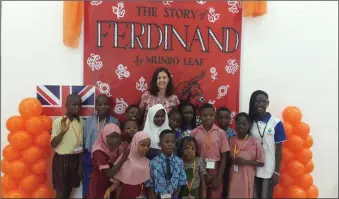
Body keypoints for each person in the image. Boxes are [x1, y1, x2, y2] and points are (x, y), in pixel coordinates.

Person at [248, 90, 287, 198]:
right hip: (252, 169)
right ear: (253, 103)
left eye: (263, 101)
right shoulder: (249, 122)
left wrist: (277, 172)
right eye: (257, 102)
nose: (260, 104)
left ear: (267, 103)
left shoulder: (276, 122)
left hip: (268, 169)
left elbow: (279, 151)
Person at [83, 94, 120, 198]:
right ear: (95, 107)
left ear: (110, 106)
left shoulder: (114, 121)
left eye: (105, 104)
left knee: (105, 188)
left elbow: (117, 142)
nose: (103, 106)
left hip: (107, 158)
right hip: (89, 158)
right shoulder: (88, 122)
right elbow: (84, 140)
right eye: (99, 104)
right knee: (88, 188)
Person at [190, 103, 230, 199]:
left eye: (211, 115)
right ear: (200, 116)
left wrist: (219, 177)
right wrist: (204, 173)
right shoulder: (194, 132)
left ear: (215, 115)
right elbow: (193, 154)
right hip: (199, 169)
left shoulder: (221, 133)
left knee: (215, 194)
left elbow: (224, 156)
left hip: (216, 170)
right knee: (200, 195)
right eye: (205, 115)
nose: (208, 118)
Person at [50, 94, 84, 199]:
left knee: (69, 191)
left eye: (79, 105)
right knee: (61, 193)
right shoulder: (59, 122)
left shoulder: (82, 122)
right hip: (61, 160)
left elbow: (81, 145)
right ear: (66, 105)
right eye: (74, 104)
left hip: (75, 159)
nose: (77, 107)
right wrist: (62, 132)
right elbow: (53, 144)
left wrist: (80, 164)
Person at [104, 131, 151, 199]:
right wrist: (109, 190)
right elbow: (117, 182)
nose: (146, 148)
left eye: (148, 145)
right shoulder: (125, 160)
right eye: (142, 145)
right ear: (135, 144)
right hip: (126, 195)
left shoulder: (148, 162)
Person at [228, 112, 265, 198]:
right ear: (235, 124)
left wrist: (246, 162)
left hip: (247, 175)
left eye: (244, 124)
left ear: (249, 125)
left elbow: (261, 163)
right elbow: (230, 156)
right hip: (234, 174)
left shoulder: (255, 142)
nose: (241, 126)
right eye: (238, 124)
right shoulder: (231, 140)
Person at [88, 123, 129, 198]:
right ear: (104, 137)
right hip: (99, 183)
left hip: (111, 184)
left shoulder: (116, 148)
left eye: (117, 137)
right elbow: (109, 173)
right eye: (112, 137)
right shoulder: (98, 152)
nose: (115, 140)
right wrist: (123, 158)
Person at [145, 129, 187, 199]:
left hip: (174, 196)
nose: (170, 144)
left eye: (173, 142)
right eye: (167, 142)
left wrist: (176, 194)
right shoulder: (153, 162)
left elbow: (182, 180)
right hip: (158, 196)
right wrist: (153, 196)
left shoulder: (179, 162)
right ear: (160, 144)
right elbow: (150, 182)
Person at [216, 106, 236, 198]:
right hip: (216, 163)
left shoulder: (233, 133)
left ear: (230, 118)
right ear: (216, 118)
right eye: (221, 118)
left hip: (228, 163)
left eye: (226, 118)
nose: (223, 120)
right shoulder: (214, 131)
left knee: (227, 185)